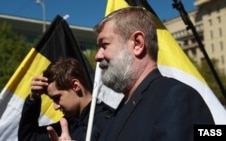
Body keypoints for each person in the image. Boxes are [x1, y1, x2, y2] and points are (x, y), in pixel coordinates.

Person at [49, 6, 215, 141]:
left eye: (104, 45)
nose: (98, 56)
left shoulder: (179, 98)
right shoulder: (121, 109)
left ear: (137, 43)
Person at [18, 57, 114, 141]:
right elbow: (28, 137)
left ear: (75, 86)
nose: (55, 106)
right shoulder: (67, 126)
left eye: (57, 98)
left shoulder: (107, 122)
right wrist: (33, 99)